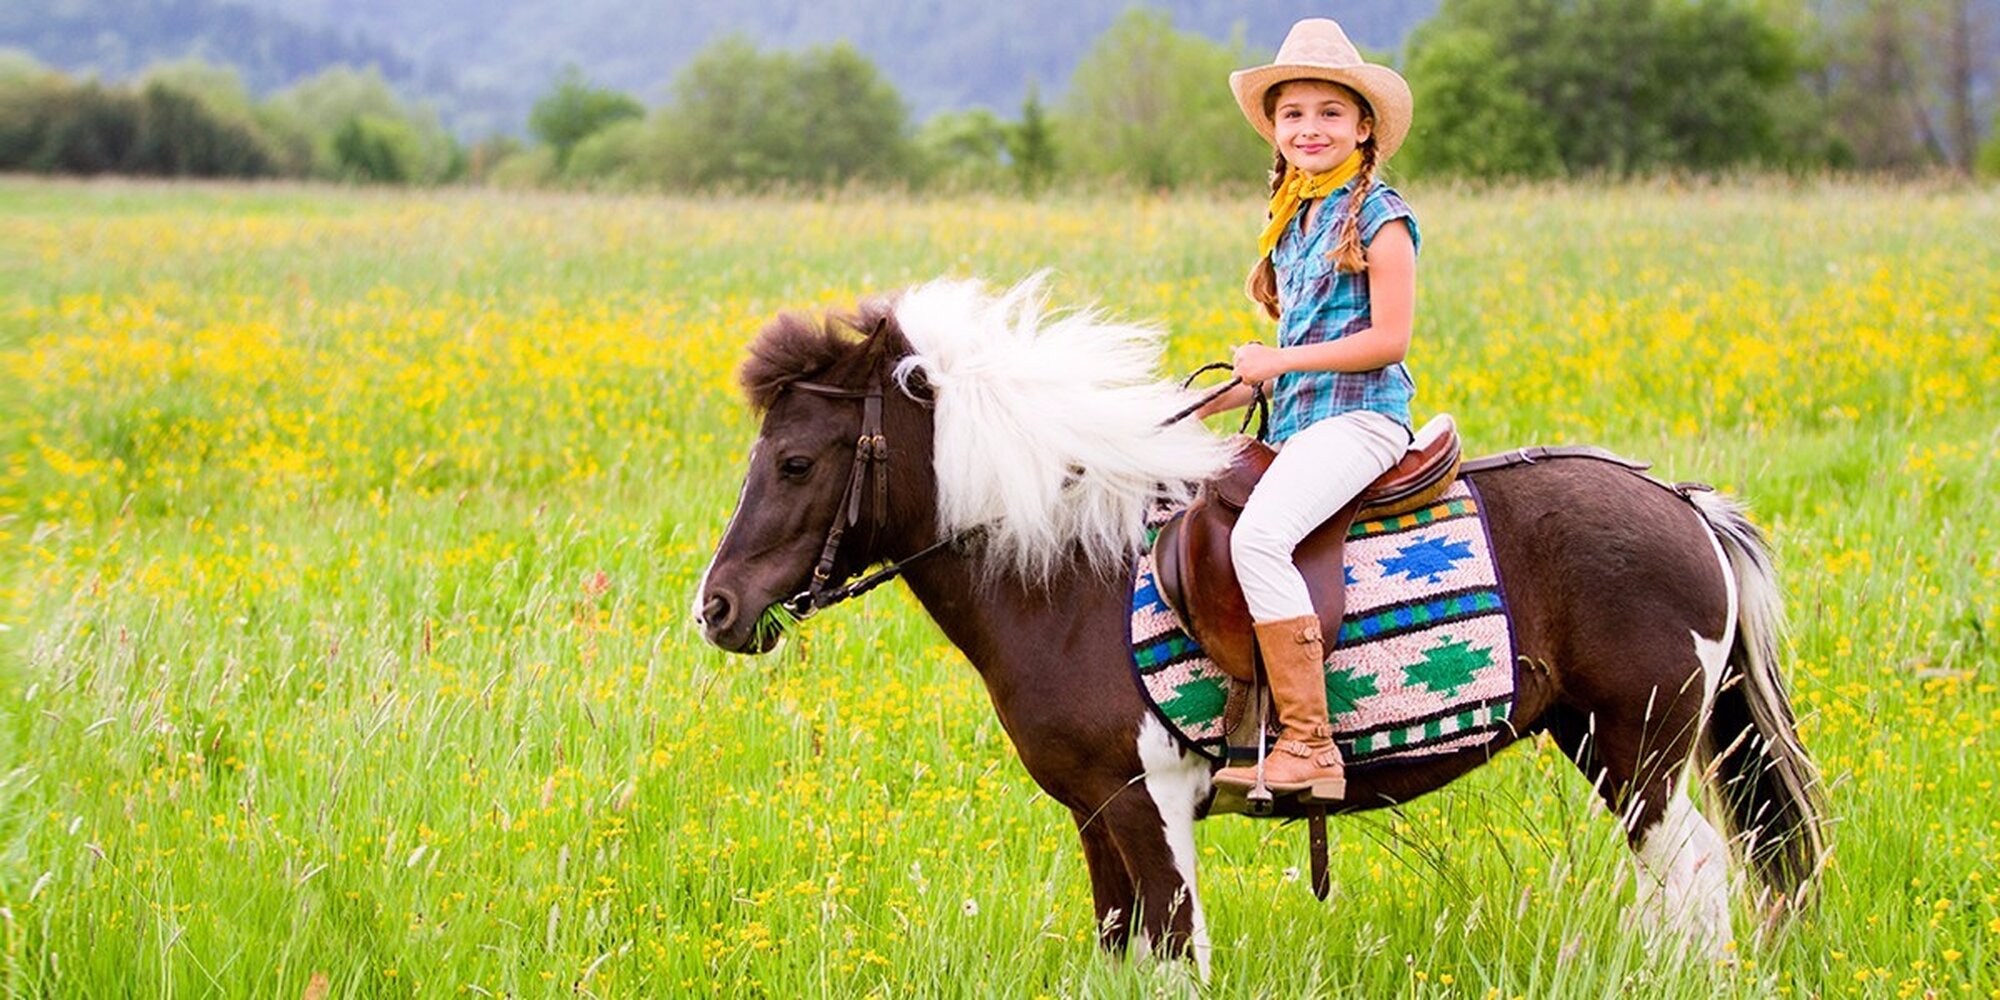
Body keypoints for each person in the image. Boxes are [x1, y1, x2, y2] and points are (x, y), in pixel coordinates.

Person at [1198, 17, 1421, 800]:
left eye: (1329, 113)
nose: (1310, 128)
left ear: (1364, 127)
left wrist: (1280, 360)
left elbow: (1389, 339)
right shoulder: (1294, 221)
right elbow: (1290, 353)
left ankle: (1309, 744)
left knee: (1260, 539)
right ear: (1276, 129)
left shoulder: (1379, 217)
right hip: (1300, 423)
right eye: (1293, 114)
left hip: (1362, 420)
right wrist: (1224, 393)